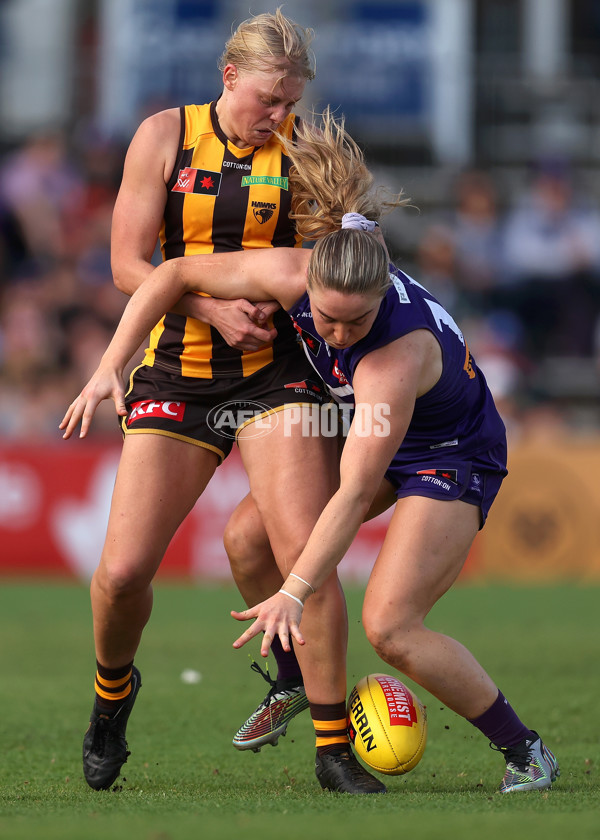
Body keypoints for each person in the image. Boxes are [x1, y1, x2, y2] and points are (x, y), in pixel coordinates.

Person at [62, 110, 560, 795]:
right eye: (324, 317)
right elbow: (171, 274)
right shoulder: (296, 272)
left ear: (381, 296)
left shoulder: (388, 359)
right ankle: (295, 684)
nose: (333, 330)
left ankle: (525, 749)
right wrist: (110, 365)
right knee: (245, 539)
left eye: (353, 321)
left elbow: (355, 493)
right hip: (383, 436)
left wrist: (292, 596)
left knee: (390, 624)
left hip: (449, 453)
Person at [64, 10, 372, 795]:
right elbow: (130, 265)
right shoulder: (164, 136)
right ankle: (112, 697)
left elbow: (327, 271)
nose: (281, 115)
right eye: (270, 98)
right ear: (229, 76)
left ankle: (334, 749)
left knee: (305, 551)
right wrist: (208, 308)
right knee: (123, 574)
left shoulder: (304, 153)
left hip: (276, 375)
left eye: (291, 100)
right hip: (177, 368)